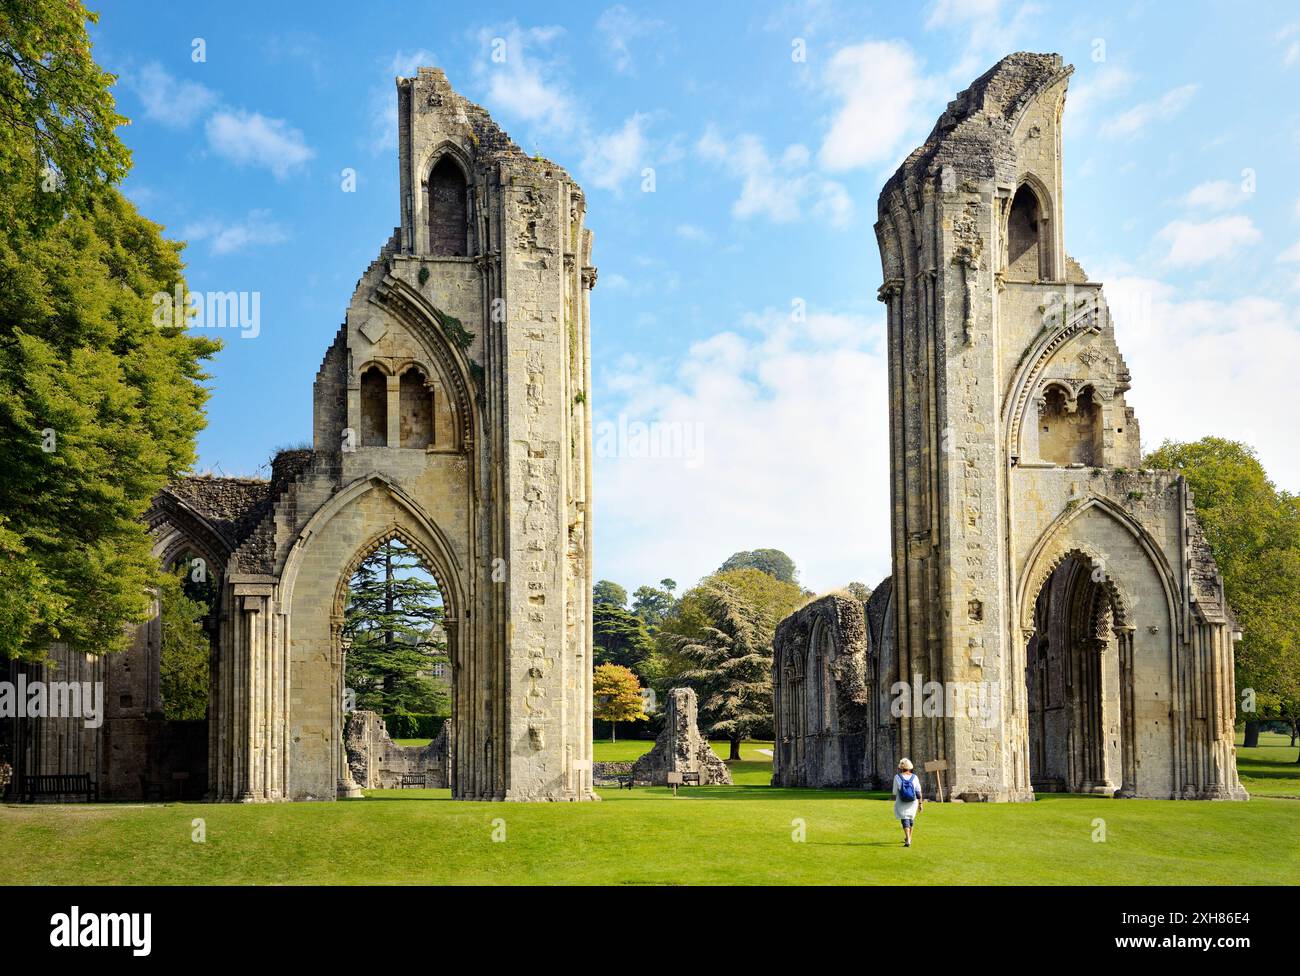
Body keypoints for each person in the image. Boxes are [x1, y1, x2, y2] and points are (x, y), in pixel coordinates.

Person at [892, 758, 923, 847]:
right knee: (911, 819)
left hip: (901, 800)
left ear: (901, 767)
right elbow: (918, 792)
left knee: (905, 819)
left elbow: (894, 792)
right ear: (910, 767)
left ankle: (907, 839)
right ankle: (909, 837)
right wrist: (920, 804)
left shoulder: (897, 777)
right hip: (913, 801)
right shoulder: (914, 777)